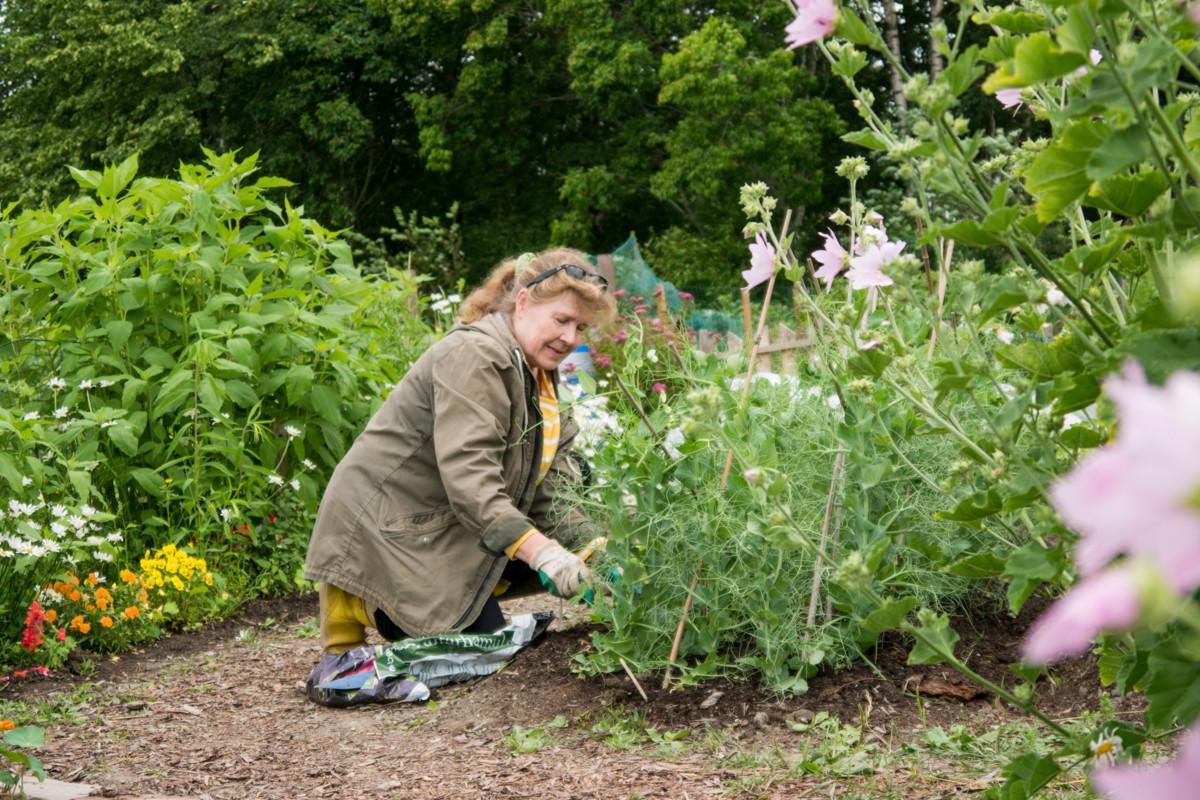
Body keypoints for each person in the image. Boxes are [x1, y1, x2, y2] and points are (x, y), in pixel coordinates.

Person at [303, 247, 617, 654]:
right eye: (562, 320)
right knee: (480, 648)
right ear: (522, 302)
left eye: (581, 328)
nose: (571, 339)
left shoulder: (539, 375)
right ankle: (361, 595)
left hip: (442, 522)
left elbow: (548, 490)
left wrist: (599, 555)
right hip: (389, 527)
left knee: (487, 638)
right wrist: (546, 556)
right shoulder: (476, 355)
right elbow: (471, 480)